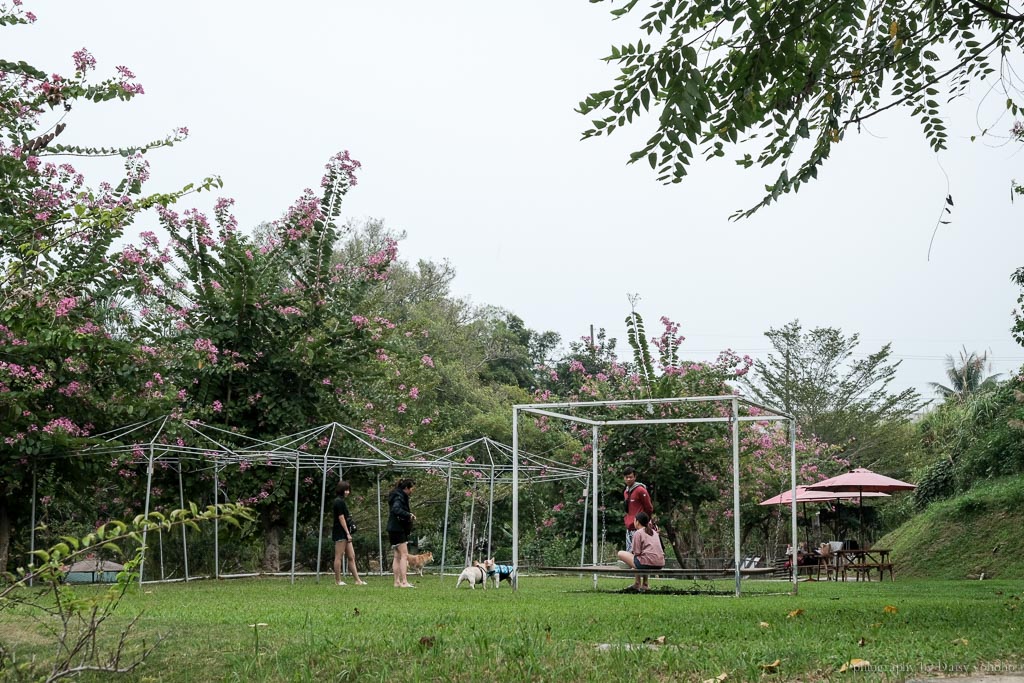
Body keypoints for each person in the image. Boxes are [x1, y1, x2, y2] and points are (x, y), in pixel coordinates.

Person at [616, 511, 665, 591]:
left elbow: (636, 553)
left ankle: (637, 583)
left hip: (646, 563)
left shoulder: (638, 533)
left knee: (621, 553)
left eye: (634, 520)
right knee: (643, 558)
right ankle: (644, 584)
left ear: (637, 522)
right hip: (660, 563)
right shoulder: (654, 532)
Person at [332, 480, 367, 586]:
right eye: (345, 490)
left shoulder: (342, 501)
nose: (347, 492)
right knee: (339, 556)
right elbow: (341, 517)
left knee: (351, 556)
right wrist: (347, 532)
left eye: (348, 490)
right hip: (340, 531)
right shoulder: (338, 501)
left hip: (345, 532)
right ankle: (338, 580)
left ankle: (357, 580)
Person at [387, 478, 416, 588]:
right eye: (411, 488)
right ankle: (404, 581)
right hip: (398, 529)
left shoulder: (395, 495)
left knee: (397, 556)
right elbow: (396, 509)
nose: (412, 491)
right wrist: (408, 515)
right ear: (406, 488)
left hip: (392, 528)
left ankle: (396, 581)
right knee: (404, 555)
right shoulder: (399, 497)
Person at [623, 466, 653, 553]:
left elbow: (649, 507)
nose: (628, 479)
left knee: (639, 552)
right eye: (626, 477)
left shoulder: (640, 490)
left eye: (631, 477)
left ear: (635, 477)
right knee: (629, 551)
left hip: (639, 527)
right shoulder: (626, 491)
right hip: (629, 527)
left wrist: (645, 522)